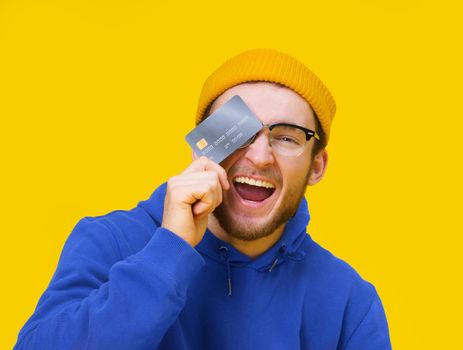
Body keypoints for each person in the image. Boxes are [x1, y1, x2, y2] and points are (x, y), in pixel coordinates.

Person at [15, 48, 392, 349]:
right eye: (238, 130)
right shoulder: (110, 241)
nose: (260, 157)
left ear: (316, 166)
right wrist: (169, 251)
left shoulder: (349, 301)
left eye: (287, 137)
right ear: (203, 147)